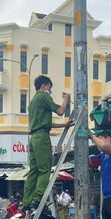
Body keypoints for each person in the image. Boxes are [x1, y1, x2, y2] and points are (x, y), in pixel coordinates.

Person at [24, 75, 73, 210]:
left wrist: (63, 125)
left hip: (33, 137)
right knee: (45, 170)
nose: (50, 91)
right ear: (44, 85)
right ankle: (37, 199)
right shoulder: (43, 96)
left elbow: (45, 122)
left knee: (33, 171)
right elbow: (60, 111)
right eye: (49, 88)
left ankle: (27, 201)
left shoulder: (33, 101)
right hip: (42, 137)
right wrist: (66, 99)